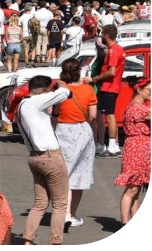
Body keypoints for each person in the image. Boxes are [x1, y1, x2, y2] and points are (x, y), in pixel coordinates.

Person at [18, 75, 71, 245]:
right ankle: (56, 242)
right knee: (60, 204)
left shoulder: (22, 105)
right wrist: (61, 83)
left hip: (34, 156)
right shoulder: (36, 102)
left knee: (40, 203)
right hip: (50, 156)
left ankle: (28, 240)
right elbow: (64, 92)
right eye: (48, 92)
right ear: (42, 91)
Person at [54, 58, 97, 228]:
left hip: (63, 130)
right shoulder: (88, 90)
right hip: (82, 130)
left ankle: (63, 213)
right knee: (80, 173)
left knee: (64, 173)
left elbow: (54, 112)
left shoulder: (61, 90)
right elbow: (93, 116)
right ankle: (71, 214)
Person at [84, 24, 125, 158]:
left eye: (102, 34)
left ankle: (112, 147)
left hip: (109, 87)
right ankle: (113, 145)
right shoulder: (117, 49)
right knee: (109, 115)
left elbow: (111, 72)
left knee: (110, 116)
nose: (102, 36)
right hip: (111, 87)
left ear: (106, 35)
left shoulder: (113, 50)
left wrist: (96, 79)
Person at [114, 77, 150, 225]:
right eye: (149, 90)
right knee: (132, 189)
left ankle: (133, 223)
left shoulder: (138, 106)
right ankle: (124, 222)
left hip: (141, 147)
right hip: (137, 148)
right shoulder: (137, 108)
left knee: (136, 190)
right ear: (139, 90)